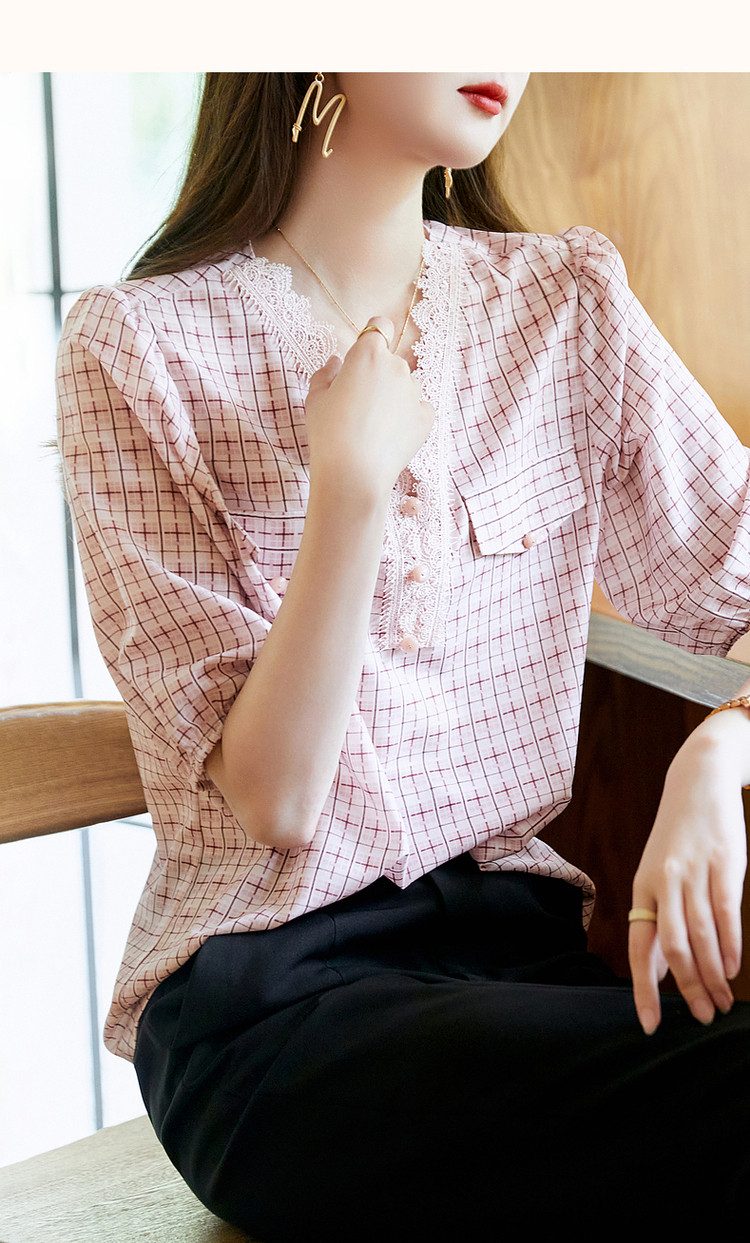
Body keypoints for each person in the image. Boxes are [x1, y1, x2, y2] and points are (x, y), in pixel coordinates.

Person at [55, 72, 750, 1239]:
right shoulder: (135, 347)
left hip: (521, 970)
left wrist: (721, 751)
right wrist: (351, 487)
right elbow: (278, 800)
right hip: (277, 1016)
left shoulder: (565, 304)